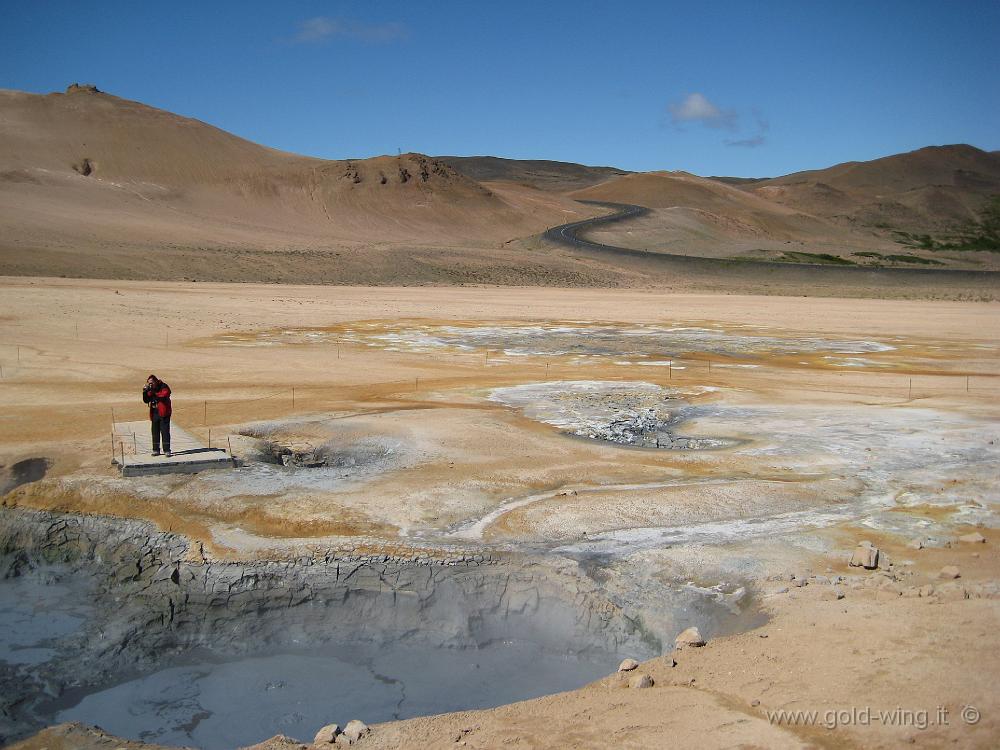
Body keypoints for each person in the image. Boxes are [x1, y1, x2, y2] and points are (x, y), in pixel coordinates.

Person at [142, 374, 172, 457]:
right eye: (149, 383)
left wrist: (154, 393)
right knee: (155, 432)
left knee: (165, 432)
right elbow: (146, 400)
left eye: (152, 383)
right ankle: (156, 450)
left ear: (155, 381)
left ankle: (167, 450)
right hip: (155, 412)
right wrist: (145, 392)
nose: (150, 385)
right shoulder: (151, 389)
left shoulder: (163, 385)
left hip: (164, 413)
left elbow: (165, 394)